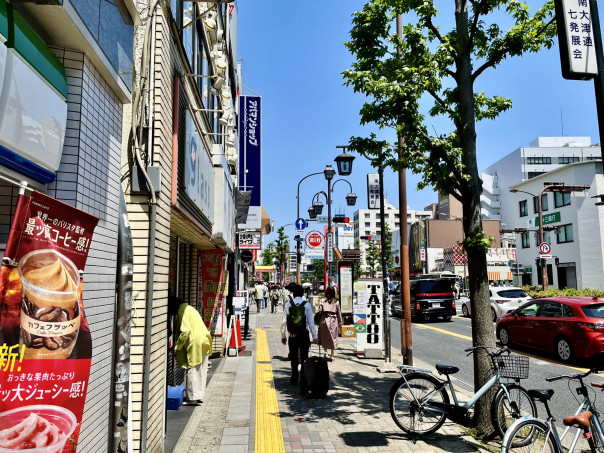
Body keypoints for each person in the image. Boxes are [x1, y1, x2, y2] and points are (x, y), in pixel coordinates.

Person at [168, 296, 212, 406]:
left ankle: (192, 398)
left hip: (195, 341)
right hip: (204, 339)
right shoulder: (189, 308)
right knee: (201, 369)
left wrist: (177, 347)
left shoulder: (181, 311)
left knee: (192, 368)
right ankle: (199, 395)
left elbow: (185, 331)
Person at [281, 284, 318, 391]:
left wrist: (283, 335)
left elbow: (284, 322)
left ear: (293, 293)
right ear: (302, 294)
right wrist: (314, 336)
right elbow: (311, 322)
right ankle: (303, 378)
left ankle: (294, 378)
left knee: (293, 357)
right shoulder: (307, 305)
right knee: (304, 357)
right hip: (304, 335)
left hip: (292, 335)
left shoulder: (288, 304)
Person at [317, 286, 343, 361]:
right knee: (333, 337)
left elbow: (320, 310)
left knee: (324, 336)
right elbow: (339, 313)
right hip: (333, 320)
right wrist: (340, 323)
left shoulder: (322, 300)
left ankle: (325, 352)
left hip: (324, 320)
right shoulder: (336, 302)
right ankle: (332, 355)